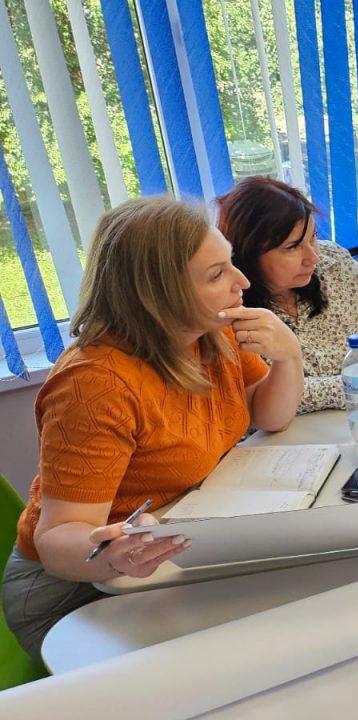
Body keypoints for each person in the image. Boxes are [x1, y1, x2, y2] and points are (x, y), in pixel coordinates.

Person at [2, 197, 303, 661]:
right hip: (75, 593)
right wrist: (114, 554)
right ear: (159, 294)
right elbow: (57, 540)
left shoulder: (211, 331)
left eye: (230, 263)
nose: (242, 281)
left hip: (173, 549)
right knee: (252, 652)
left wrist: (288, 355)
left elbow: (270, 415)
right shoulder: (95, 384)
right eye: (217, 274)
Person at [217, 176, 358, 415]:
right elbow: (262, 396)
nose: (313, 257)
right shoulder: (229, 309)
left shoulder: (333, 263)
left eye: (313, 237)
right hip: (288, 434)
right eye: (292, 247)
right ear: (249, 253)